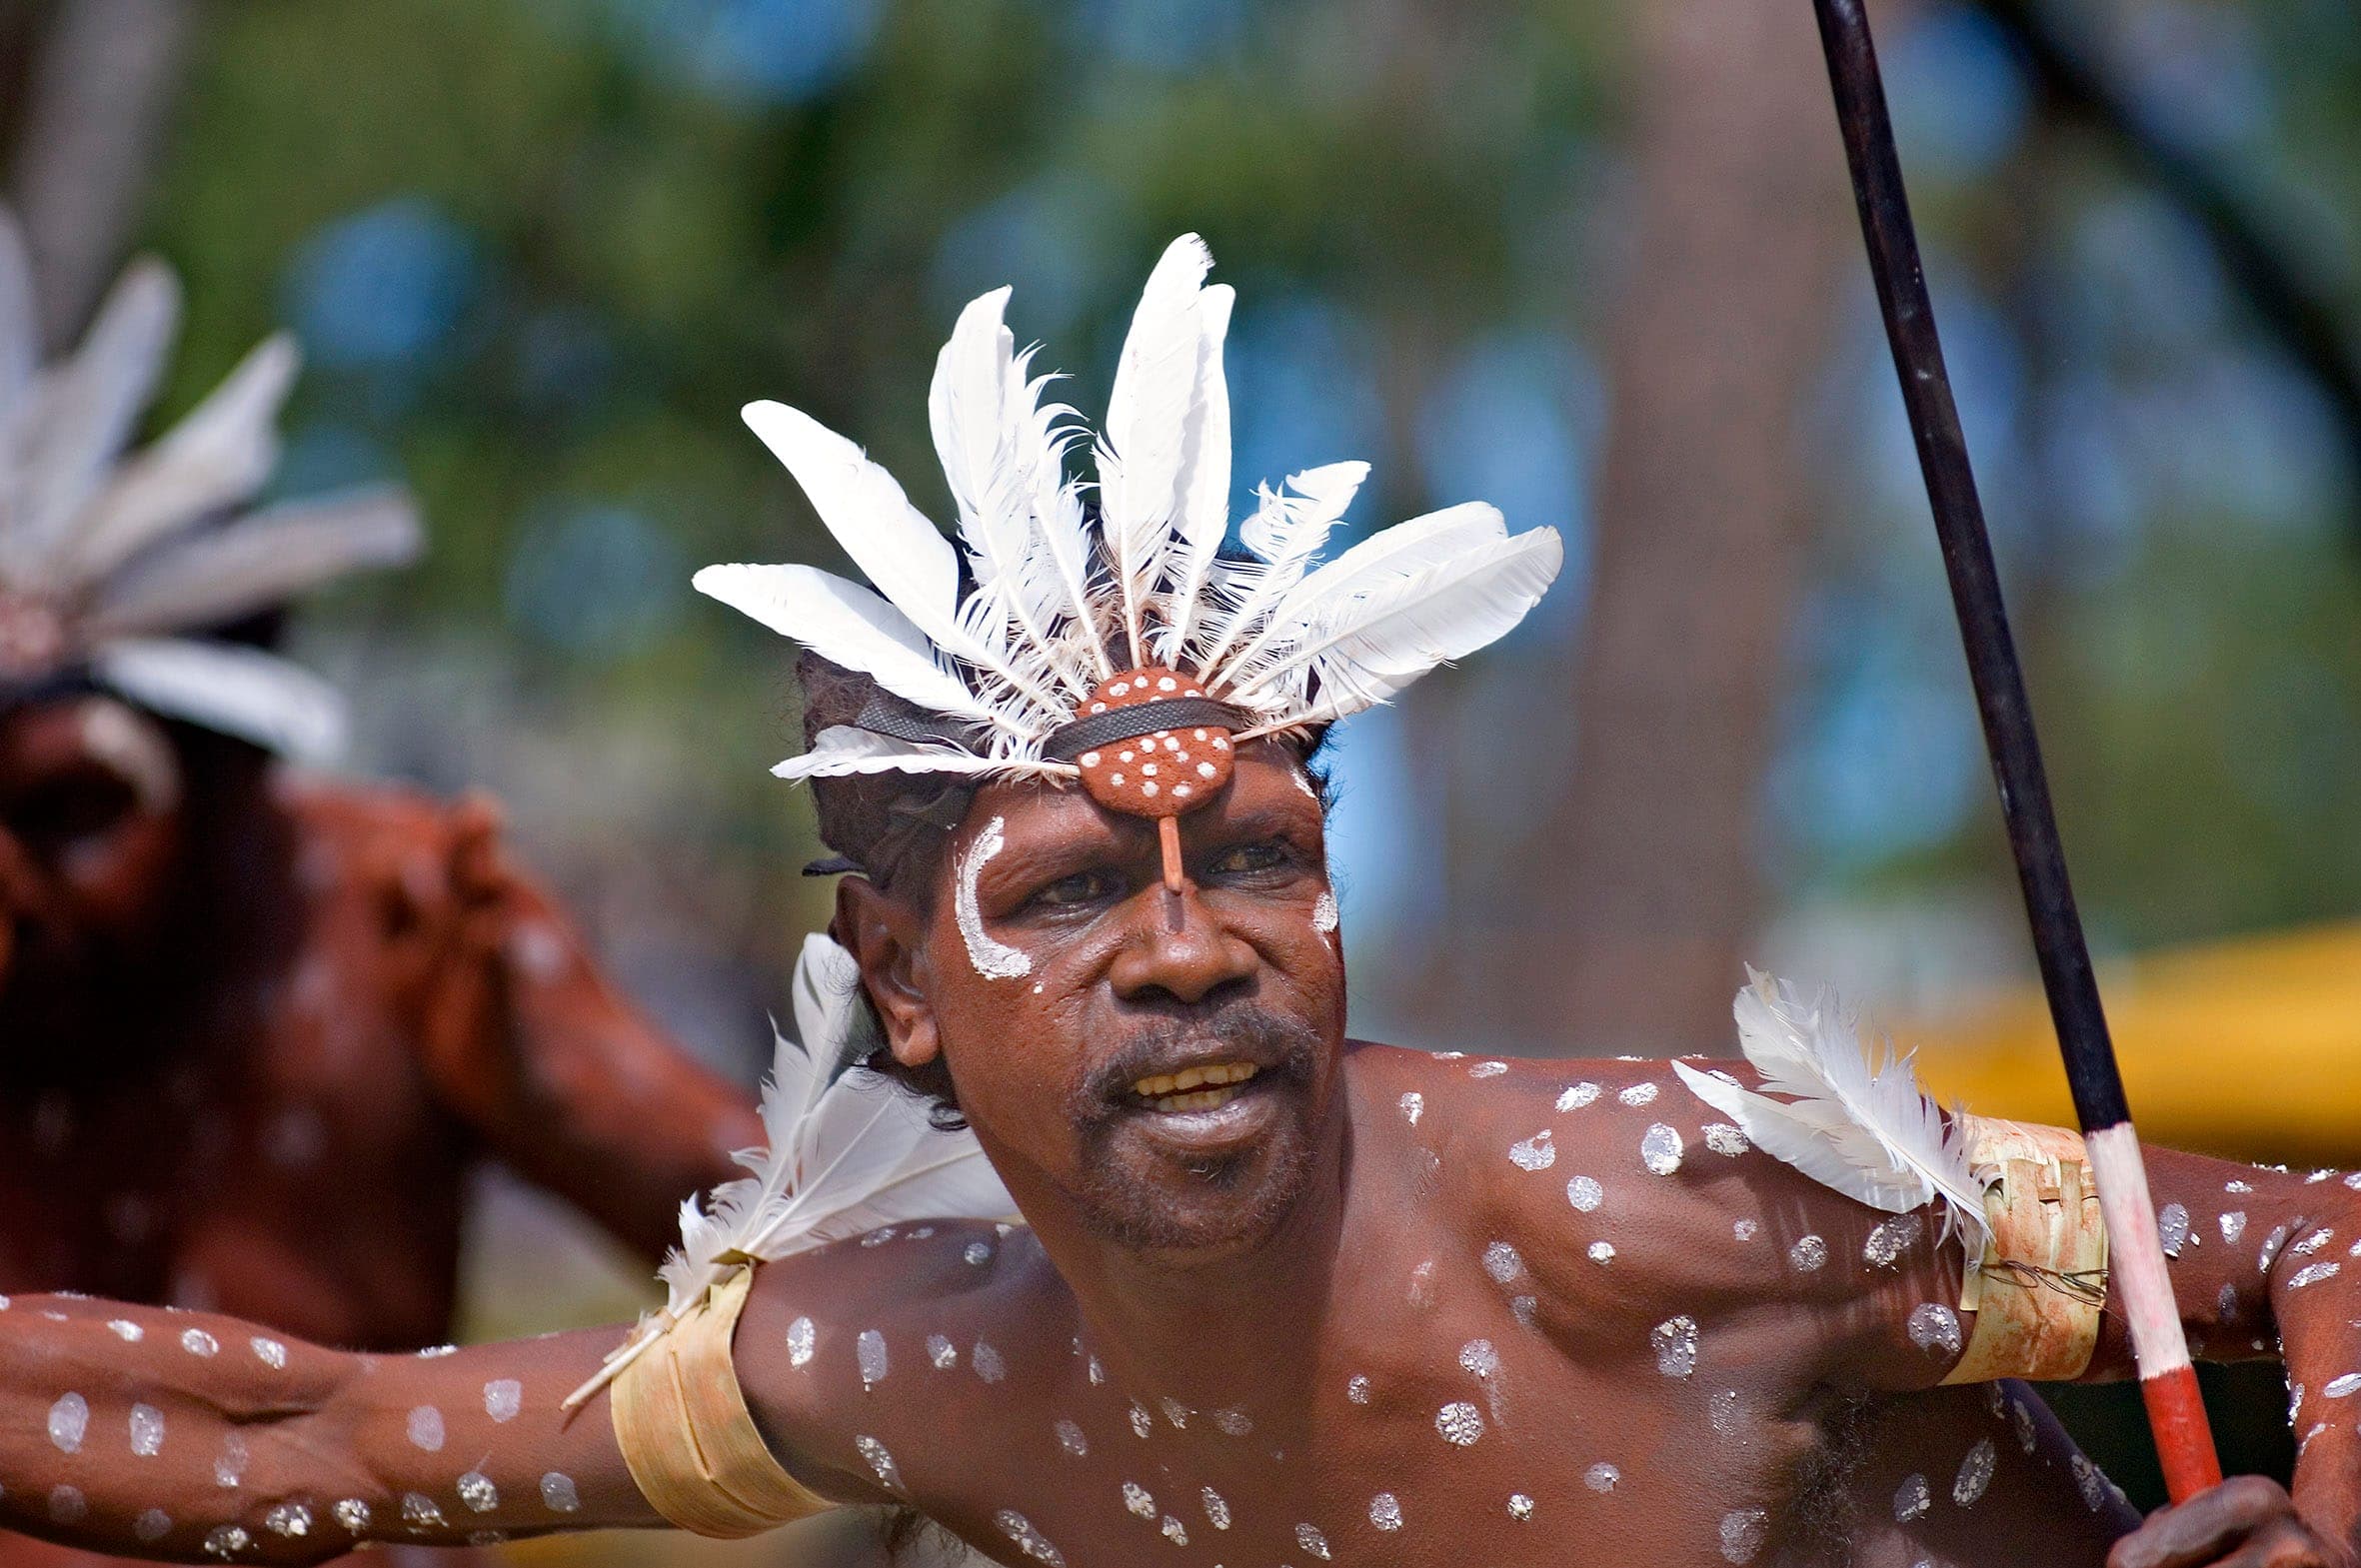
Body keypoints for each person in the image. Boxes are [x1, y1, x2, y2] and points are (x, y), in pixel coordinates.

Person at [0, 236, 2351, 1568]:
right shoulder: (909, 1359)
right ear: (894, 989)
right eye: (1063, 892)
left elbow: (2321, 1248)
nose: (1187, 943)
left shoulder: (1657, 1210)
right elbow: (312, 1436)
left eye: (1254, 857)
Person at [0, 215, 762, 1565]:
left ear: (231, 781)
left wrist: (556, 1097)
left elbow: (823, 1287)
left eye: (68, 812)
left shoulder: (391, 919)